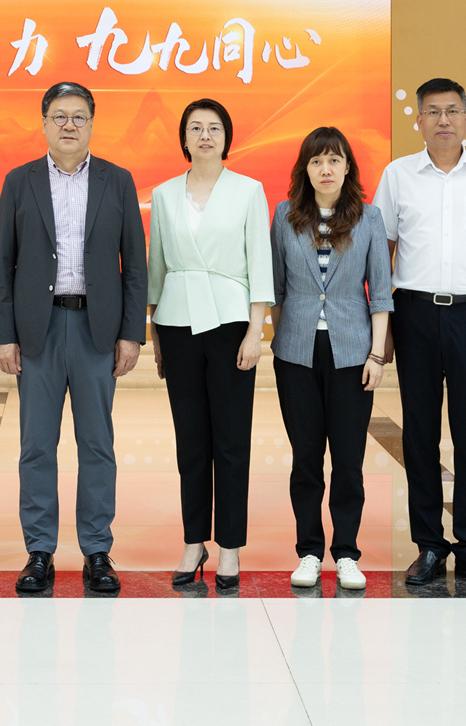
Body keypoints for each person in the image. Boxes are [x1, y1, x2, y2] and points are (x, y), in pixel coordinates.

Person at [0, 81, 147, 594]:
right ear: (43, 124)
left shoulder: (117, 180)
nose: (69, 125)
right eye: (59, 116)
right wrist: (2, 334)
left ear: (92, 125)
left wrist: (131, 333)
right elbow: (3, 263)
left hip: (96, 330)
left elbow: (134, 264)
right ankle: (39, 551)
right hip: (38, 329)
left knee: (97, 443)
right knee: (36, 445)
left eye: (79, 116)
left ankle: (97, 550)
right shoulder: (20, 181)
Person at [370, 77, 466, 591]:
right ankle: (429, 545)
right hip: (414, 314)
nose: (443, 120)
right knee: (420, 434)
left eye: (452, 110)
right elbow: (382, 250)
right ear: (419, 120)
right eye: (433, 111)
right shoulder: (398, 175)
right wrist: (382, 325)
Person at [146, 98, 269, 590]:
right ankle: (193, 541)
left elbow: (260, 262)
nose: (204, 135)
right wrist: (155, 332)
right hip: (177, 323)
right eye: (195, 127)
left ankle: (230, 548)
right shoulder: (163, 194)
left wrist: (256, 331)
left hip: (231, 323)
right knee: (191, 440)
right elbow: (157, 266)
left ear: (226, 137)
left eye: (213, 127)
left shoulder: (248, 190)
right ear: (183, 137)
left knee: (232, 441)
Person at [269, 127, 392, 592]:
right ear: (305, 168)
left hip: (352, 353)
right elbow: (278, 289)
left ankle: (346, 553)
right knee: (305, 458)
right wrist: (284, 341)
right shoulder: (284, 216)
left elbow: (381, 293)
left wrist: (376, 354)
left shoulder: (369, 218)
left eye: (334, 160)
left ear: (347, 167)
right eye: (317, 160)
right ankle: (308, 551)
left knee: (347, 459)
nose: (326, 169)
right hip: (296, 354)